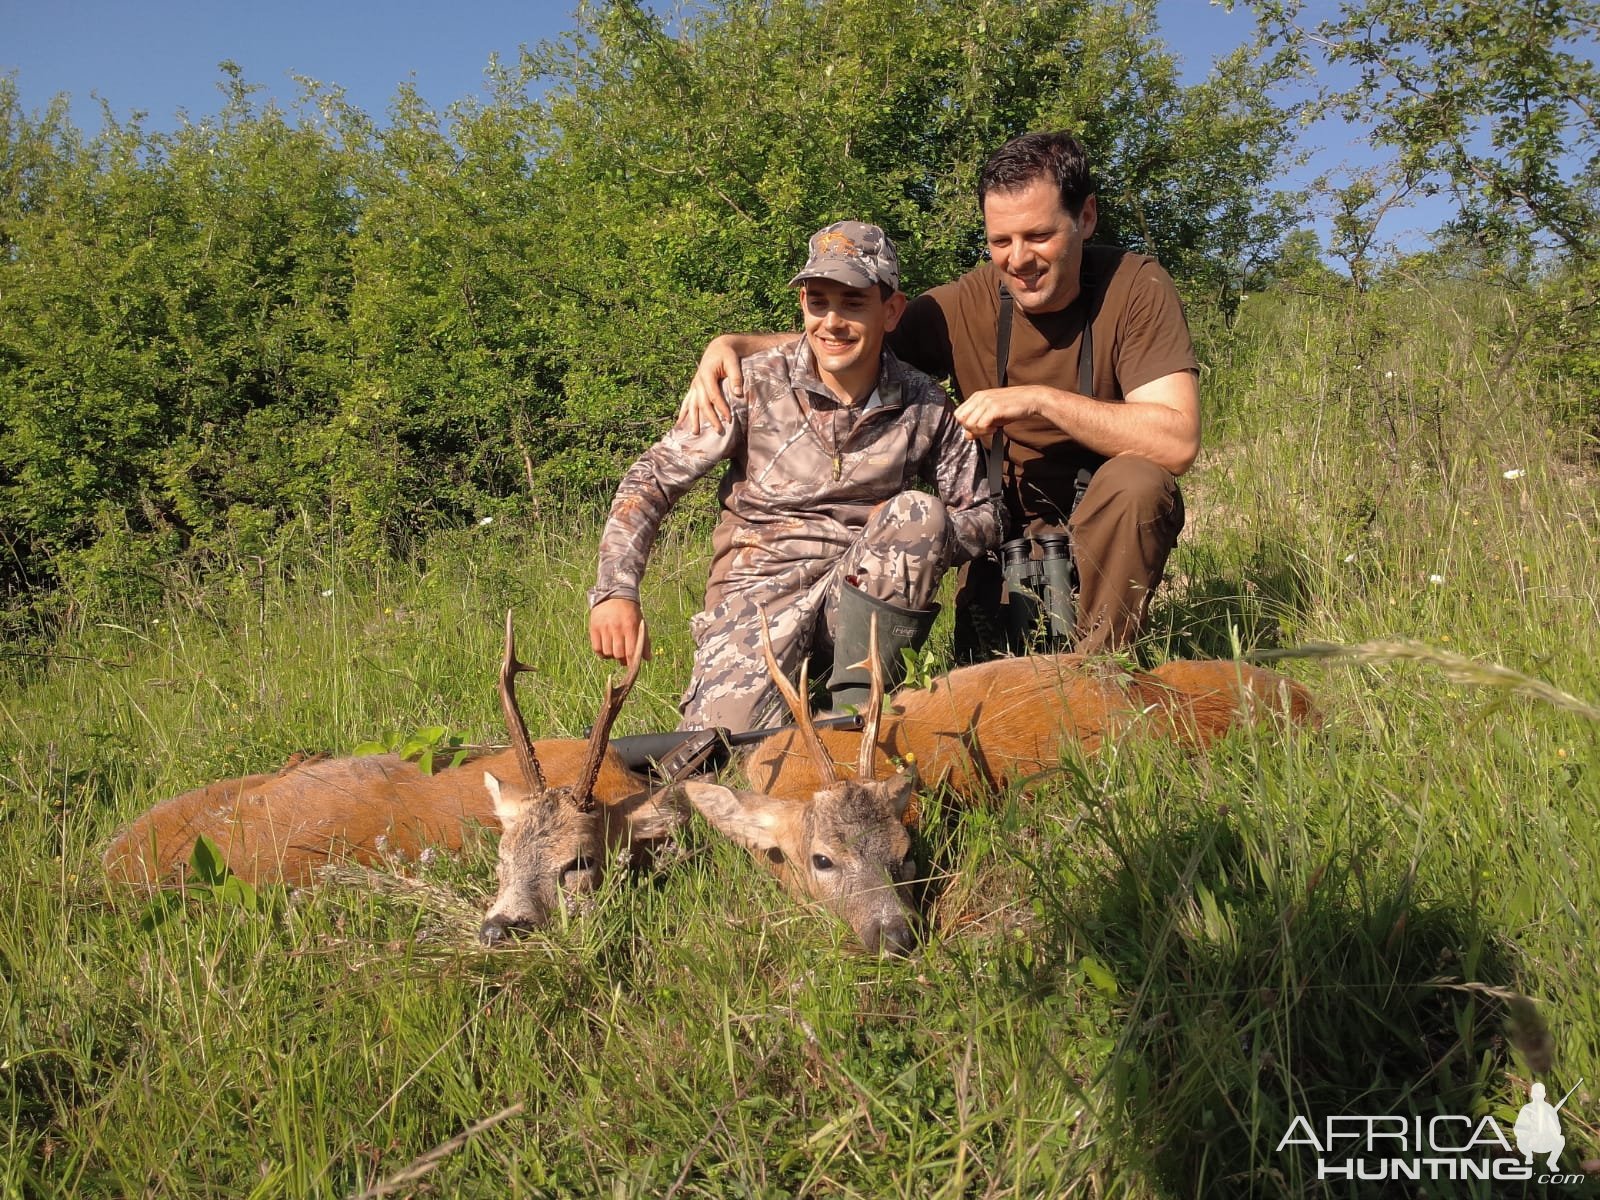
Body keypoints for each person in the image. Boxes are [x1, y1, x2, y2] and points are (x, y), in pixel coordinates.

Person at [683, 131, 1200, 659]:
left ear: (1085, 217)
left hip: (1105, 531)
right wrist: (736, 344)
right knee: (988, 673)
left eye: (1039, 236)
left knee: (1140, 481)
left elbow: (1177, 440)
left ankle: (1099, 672)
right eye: (1001, 241)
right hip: (1003, 540)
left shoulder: (1136, 285)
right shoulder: (964, 305)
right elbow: (852, 338)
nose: (1018, 259)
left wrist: (1038, 399)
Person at [589, 221, 1000, 733]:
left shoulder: (925, 404)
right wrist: (615, 593)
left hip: (858, 598)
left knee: (917, 513)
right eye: (818, 301)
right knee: (721, 750)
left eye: (853, 303)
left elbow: (984, 514)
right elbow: (651, 481)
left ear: (891, 310)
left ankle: (856, 713)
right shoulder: (750, 382)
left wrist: (916, 528)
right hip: (757, 596)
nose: (832, 321)